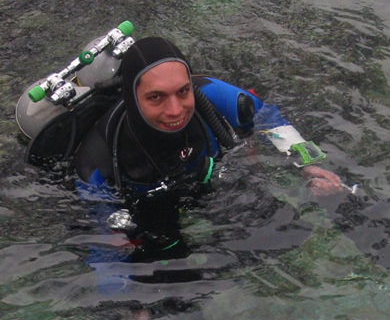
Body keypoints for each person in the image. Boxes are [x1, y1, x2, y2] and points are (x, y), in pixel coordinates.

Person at [74, 37, 342, 200]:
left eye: (183, 91)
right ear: (132, 98)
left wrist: (307, 162)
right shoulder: (96, 162)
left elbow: (269, 118)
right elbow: (106, 250)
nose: (176, 110)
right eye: (156, 97)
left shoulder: (211, 93)